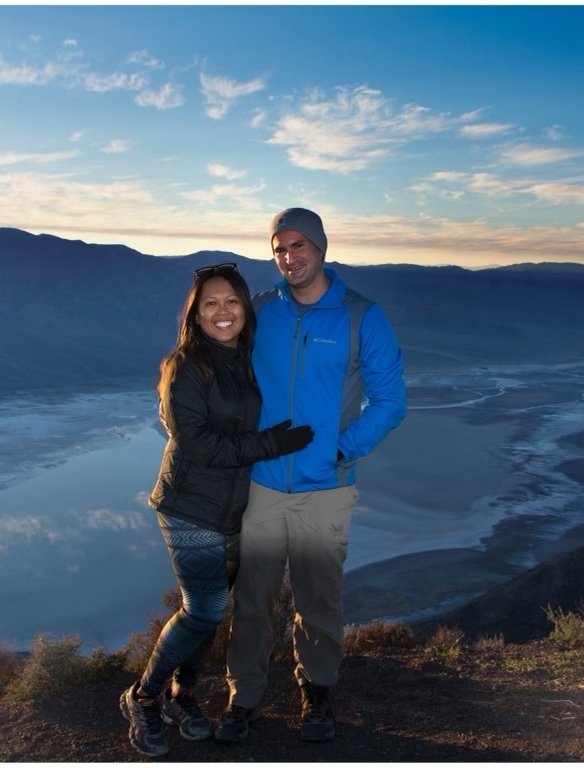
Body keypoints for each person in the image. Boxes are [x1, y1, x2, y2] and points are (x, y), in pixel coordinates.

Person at [217, 208, 407, 744]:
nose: (288, 256)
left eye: (298, 245)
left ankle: (317, 693)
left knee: (318, 598)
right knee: (251, 598)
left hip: (326, 488)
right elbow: (222, 370)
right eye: (279, 248)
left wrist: (341, 451)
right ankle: (244, 698)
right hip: (262, 486)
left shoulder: (359, 316)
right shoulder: (261, 312)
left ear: (320, 248)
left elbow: (391, 402)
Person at [120, 262, 315, 757]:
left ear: (245, 309)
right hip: (189, 506)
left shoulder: (247, 358)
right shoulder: (187, 366)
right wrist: (272, 444)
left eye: (231, 301)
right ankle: (143, 697)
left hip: (234, 508)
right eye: (211, 303)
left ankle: (183, 696)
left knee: (211, 611)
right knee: (203, 608)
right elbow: (199, 445)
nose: (222, 311)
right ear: (196, 313)